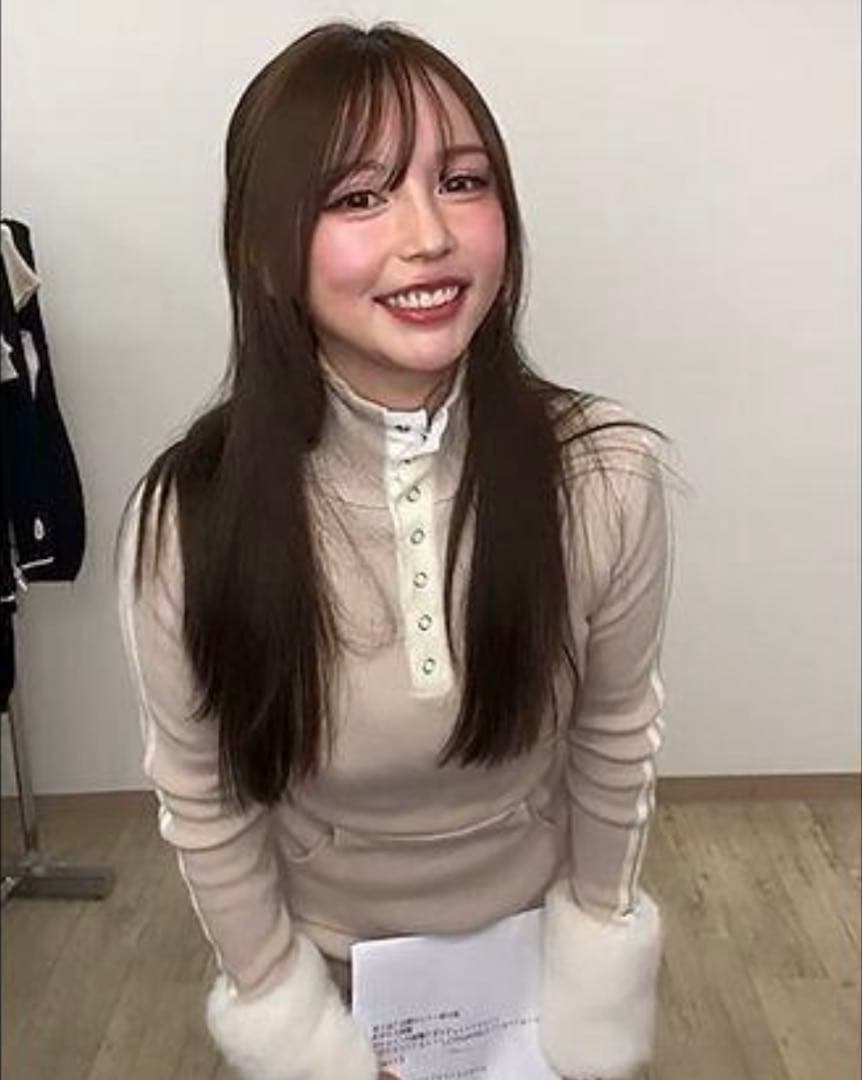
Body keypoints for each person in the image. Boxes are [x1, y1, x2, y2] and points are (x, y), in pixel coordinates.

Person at [116, 19, 673, 1080]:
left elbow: (614, 735)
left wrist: (589, 973)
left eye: (461, 182)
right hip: (328, 975)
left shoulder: (607, 472)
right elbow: (205, 802)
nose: (428, 236)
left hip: (536, 968)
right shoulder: (189, 515)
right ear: (265, 246)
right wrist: (298, 1024)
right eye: (359, 196)